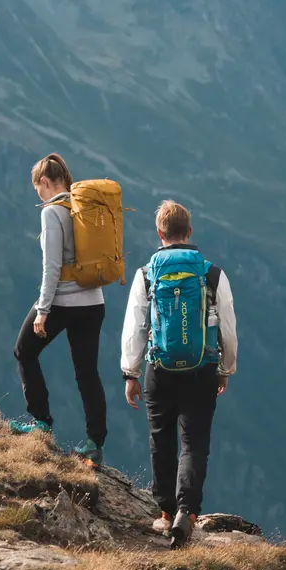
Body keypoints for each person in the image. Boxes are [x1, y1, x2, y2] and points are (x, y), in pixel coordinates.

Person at [120, 200, 237, 546]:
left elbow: (135, 326)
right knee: (194, 443)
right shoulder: (212, 274)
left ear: (160, 234)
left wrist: (131, 372)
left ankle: (166, 513)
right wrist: (225, 370)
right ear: (189, 232)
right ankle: (188, 511)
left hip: (159, 369)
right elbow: (227, 327)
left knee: (162, 438)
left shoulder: (146, 273)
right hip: (201, 369)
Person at [10, 154, 107, 468]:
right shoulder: (85, 208)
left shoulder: (52, 212)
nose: (37, 194)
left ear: (46, 183)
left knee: (24, 351)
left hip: (63, 302)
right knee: (87, 372)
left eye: (37, 187)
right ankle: (94, 443)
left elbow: (51, 267)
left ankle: (41, 422)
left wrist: (42, 309)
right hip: (94, 302)